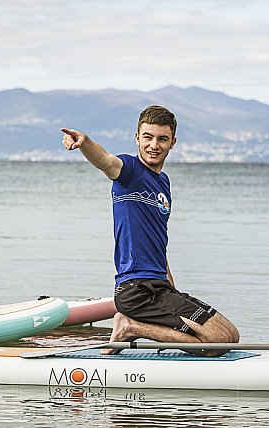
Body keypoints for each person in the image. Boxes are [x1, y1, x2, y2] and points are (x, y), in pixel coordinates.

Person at [61, 105, 239, 356]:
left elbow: (158, 241)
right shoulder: (129, 172)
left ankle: (135, 325)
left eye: (162, 139)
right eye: (148, 137)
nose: (154, 145)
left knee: (231, 336)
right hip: (136, 290)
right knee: (216, 340)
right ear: (137, 138)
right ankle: (130, 326)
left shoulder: (163, 183)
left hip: (160, 289)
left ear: (172, 142)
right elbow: (105, 161)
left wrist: (173, 290)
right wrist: (85, 142)